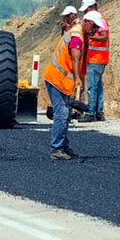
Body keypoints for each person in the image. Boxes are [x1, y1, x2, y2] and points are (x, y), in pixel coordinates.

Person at [43, 8, 103, 160]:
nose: (95, 31)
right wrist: (77, 79)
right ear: (87, 23)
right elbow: (75, 59)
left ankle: (63, 146)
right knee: (61, 114)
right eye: (94, 27)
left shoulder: (79, 33)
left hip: (61, 79)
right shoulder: (77, 36)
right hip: (56, 78)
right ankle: (56, 149)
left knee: (66, 113)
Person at [78, 0, 110, 122]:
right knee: (98, 86)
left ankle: (91, 113)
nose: (84, 13)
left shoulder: (99, 19)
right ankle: (99, 112)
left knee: (92, 86)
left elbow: (104, 37)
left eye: (86, 10)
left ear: (91, 7)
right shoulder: (96, 18)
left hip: (97, 58)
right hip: (97, 58)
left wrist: (90, 37)